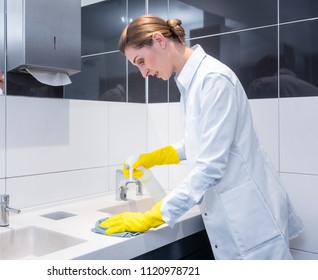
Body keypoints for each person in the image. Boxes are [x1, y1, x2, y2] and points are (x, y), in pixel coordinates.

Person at [100, 15, 303, 260]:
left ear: (159, 40)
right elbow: (198, 143)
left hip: (251, 220)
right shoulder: (190, 82)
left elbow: (209, 166)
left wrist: (152, 216)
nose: (143, 72)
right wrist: (154, 157)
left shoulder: (213, 79)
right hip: (233, 218)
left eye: (141, 61)